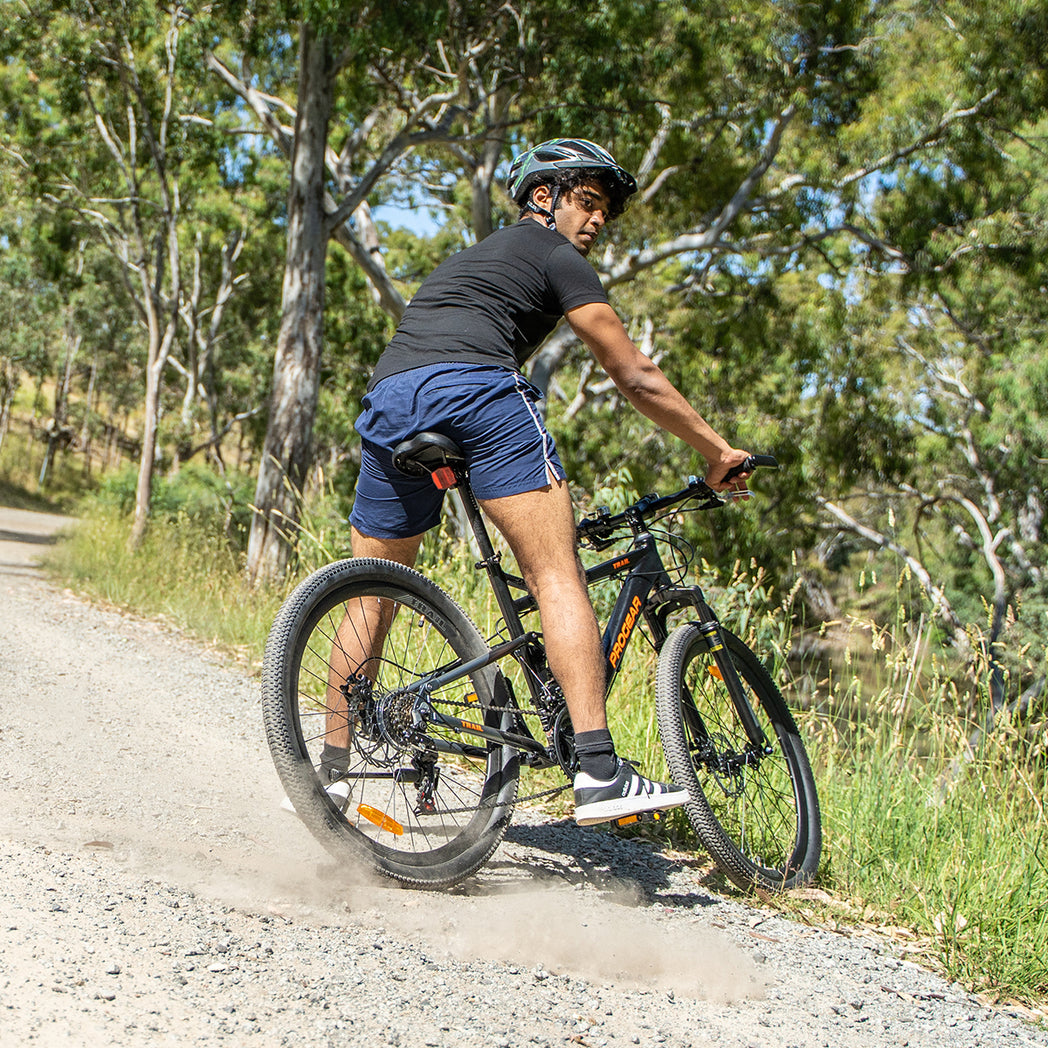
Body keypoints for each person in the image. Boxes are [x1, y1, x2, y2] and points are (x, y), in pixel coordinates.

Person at [329, 138, 753, 826]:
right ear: (543, 197)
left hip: (390, 401)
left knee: (370, 592)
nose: (596, 220)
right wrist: (717, 450)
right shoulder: (556, 254)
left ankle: (329, 775)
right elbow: (634, 373)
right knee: (556, 575)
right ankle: (599, 772)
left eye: (604, 211)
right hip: (477, 392)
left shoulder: (467, 259)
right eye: (587, 201)